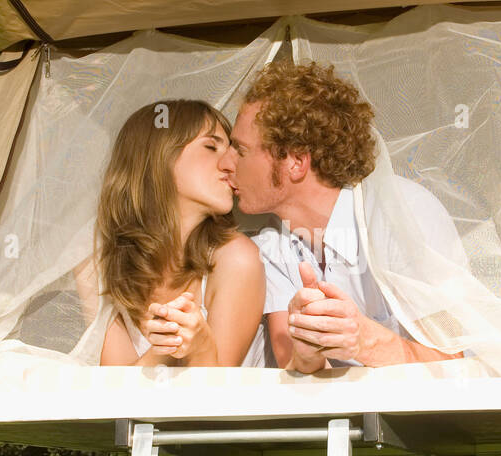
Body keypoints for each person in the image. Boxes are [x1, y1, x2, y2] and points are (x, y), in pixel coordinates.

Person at [224, 61, 465, 373]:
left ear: (296, 161)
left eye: (240, 150)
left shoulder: (405, 214)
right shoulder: (271, 245)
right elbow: (292, 366)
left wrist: (365, 341)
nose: (226, 164)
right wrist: (308, 356)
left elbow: (452, 365)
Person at [75, 100, 265, 367]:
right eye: (211, 146)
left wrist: (198, 348)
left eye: (234, 151)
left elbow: (214, 399)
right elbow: (117, 395)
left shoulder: (238, 258)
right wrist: (167, 348)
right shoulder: (94, 260)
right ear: (159, 156)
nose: (229, 164)